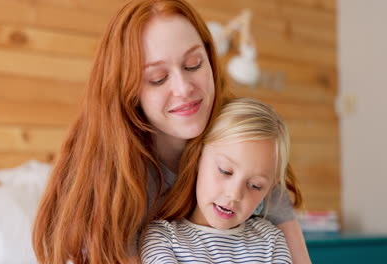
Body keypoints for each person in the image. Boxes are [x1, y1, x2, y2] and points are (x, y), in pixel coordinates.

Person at [32, 0, 310, 263]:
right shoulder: (113, 181)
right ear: (127, 91)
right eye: (157, 78)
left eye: (194, 64)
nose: (184, 88)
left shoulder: (246, 146)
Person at [141, 98, 292, 263]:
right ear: (197, 158)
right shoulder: (162, 238)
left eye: (255, 186)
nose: (234, 194)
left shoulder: (271, 240)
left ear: (270, 188)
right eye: (225, 171)